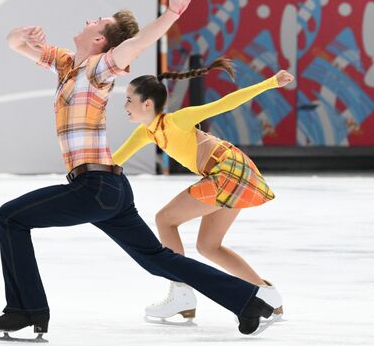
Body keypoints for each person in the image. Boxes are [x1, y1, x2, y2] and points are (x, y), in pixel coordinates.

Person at [0, 0, 280, 342]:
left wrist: (172, 11)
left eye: (98, 20)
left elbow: (138, 44)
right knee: (157, 259)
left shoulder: (99, 69)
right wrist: (21, 34)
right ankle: (248, 300)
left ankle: (26, 310)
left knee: (10, 217)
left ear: (100, 40)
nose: (90, 19)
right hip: (109, 190)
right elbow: (15, 44)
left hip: (95, 187)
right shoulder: (64, 64)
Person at [112, 58, 294, 325]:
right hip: (232, 172)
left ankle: (181, 292)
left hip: (228, 171)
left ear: (147, 104)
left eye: (129, 99)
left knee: (165, 219)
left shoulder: (177, 120)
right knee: (208, 246)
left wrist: (270, 83)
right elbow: (114, 161)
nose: (125, 106)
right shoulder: (147, 134)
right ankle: (268, 295)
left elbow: (224, 103)